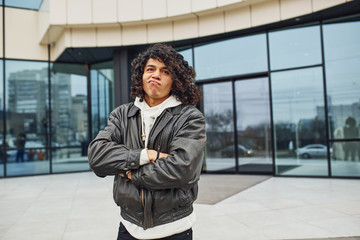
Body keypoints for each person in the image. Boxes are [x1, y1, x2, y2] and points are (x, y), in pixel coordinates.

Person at [88, 43, 206, 240]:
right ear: (141, 76)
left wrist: (128, 172)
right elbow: (97, 156)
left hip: (174, 229)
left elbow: (183, 169)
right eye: (150, 69)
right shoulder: (122, 115)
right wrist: (145, 155)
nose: (156, 75)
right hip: (128, 227)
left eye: (165, 71)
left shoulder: (189, 117)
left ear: (175, 80)